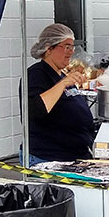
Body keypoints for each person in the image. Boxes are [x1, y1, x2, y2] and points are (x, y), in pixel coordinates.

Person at [20, 23, 95, 166]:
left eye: (72, 47)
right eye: (67, 47)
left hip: (73, 155)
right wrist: (62, 84)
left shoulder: (62, 75)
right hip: (48, 157)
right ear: (49, 48)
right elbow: (34, 110)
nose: (71, 52)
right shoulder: (36, 74)